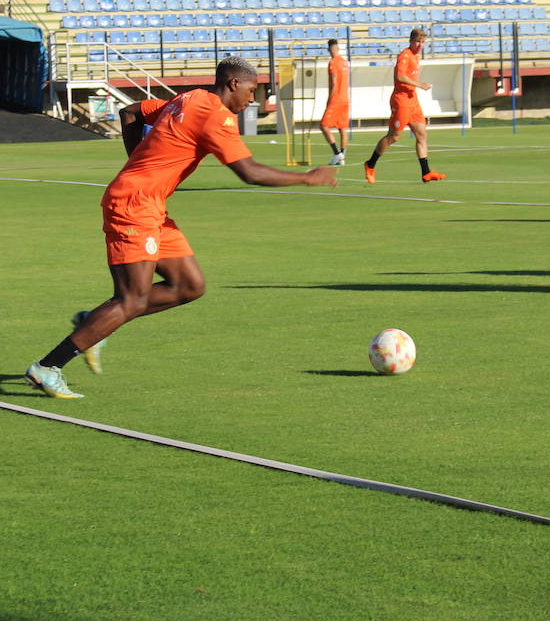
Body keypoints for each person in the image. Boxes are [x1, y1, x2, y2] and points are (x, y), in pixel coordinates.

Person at [24, 59, 338, 400]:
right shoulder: (215, 115)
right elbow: (250, 172)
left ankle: (95, 323)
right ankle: (47, 367)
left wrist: (137, 163)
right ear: (233, 84)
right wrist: (307, 177)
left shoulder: (187, 98)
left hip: (151, 206)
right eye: (251, 91)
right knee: (132, 299)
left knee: (189, 285)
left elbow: (131, 113)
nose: (255, 100)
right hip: (133, 206)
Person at [363, 28, 445, 184]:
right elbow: (400, 76)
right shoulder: (404, 55)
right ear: (411, 41)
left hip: (412, 100)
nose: (420, 45)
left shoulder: (416, 56)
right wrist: (420, 84)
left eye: (423, 42)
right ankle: (370, 164)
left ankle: (426, 172)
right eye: (417, 42)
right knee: (394, 136)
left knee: (422, 134)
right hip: (401, 101)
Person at [319, 39, 349, 165]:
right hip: (345, 99)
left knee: (323, 125)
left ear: (330, 49)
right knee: (342, 129)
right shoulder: (345, 62)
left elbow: (334, 83)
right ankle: (342, 156)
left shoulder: (333, 63)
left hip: (336, 99)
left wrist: (329, 99)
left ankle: (337, 153)